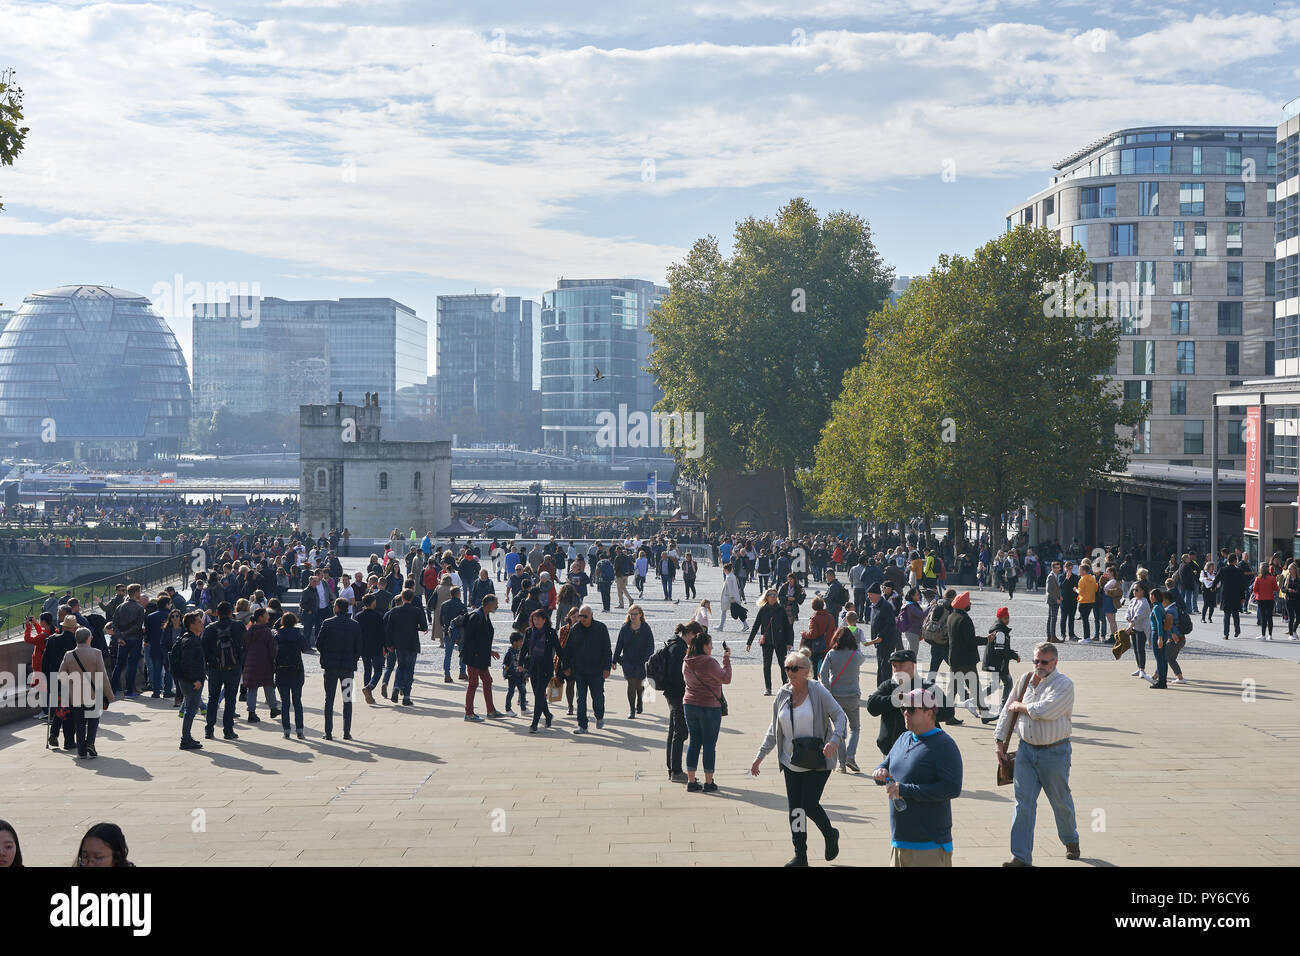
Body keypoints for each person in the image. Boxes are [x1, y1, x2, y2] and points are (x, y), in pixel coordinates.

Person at [751, 648, 847, 867]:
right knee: (796, 810)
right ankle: (800, 855)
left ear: (807, 671)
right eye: (787, 668)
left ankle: (830, 834)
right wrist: (760, 756)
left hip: (819, 759)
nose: (790, 672)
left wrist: (834, 740)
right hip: (791, 761)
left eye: (795, 668)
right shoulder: (782, 694)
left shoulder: (818, 691)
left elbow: (839, 715)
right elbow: (774, 728)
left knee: (809, 805)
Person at [996, 641, 1079, 866]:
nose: (1038, 665)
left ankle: (1070, 839)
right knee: (1023, 804)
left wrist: (1021, 707)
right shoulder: (1024, 680)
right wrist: (999, 741)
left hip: (1055, 752)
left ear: (1055, 662)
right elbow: (1007, 710)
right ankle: (1020, 857)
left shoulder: (1064, 684)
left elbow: (1046, 711)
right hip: (1025, 751)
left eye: (1043, 662)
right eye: (1035, 661)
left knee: (1060, 801)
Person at [872, 686, 963, 867]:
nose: (905, 712)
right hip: (899, 841)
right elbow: (887, 764)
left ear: (929, 713)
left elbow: (952, 788)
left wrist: (905, 790)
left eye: (912, 709)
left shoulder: (944, 745)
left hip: (928, 845)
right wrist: (880, 772)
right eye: (903, 708)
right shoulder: (904, 738)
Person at [682, 629, 732, 792]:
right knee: (709, 745)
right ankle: (709, 782)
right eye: (710, 644)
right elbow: (726, 679)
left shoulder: (686, 660)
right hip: (709, 707)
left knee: (694, 742)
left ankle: (691, 781)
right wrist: (726, 659)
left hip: (689, 704)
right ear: (704, 645)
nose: (711, 648)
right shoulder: (709, 662)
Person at [59, 627, 114, 759]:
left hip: (76, 695)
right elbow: (103, 675)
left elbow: (61, 675)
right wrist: (110, 695)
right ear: (88, 638)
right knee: (94, 720)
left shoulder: (69, 655)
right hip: (94, 694)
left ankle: (81, 750)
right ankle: (90, 743)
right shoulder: (96, 653)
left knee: (79, 722)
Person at [819, 628, 865, 773]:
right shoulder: (856, 655)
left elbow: (822, 673)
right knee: (855, 728)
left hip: (835, 696)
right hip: (853, 695)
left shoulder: (831, 654)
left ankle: (842, 763)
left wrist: (827, 690)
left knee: (839, 730)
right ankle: (851, 756)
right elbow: (862, 659)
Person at [561, 605, 612, 734]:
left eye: (585, 616)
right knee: (581, 699)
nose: (582, 618)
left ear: (591, 616)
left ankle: (599, 716)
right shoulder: (575, 629)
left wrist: (607, 667)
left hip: (597, 671)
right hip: (580, 671)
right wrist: (565, 666)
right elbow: (568, 649)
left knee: (598, 697)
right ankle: (582, 725)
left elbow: (607, 649)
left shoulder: (601, 628)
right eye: (580, 616)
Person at [317, 597, 362, 740]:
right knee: (348, 700)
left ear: (336, 607)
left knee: (328, 699)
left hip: (330, 666)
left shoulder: (327, 623)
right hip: (348, 667)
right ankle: (346, 732)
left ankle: (328, 732)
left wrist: (325, 655)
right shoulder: (354, 624)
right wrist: (353, 659)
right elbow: (359, 646)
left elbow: (319, 644)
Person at [202, 602, 246, 741]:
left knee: (212, 699)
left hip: (215, 668)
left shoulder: (210, 628)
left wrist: (206, 667)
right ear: (230, 612)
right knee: (230, 699)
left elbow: (203, 650)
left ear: (217, 613)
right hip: (234, 667)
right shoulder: (238, 626)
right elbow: (245, 645)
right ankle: (228, 730)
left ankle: (209, 729)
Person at [462, 594, 505, 721]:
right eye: (496, 603)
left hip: (481, 657)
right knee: (473, 684)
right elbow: (469, 638)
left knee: (487, 681)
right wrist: (476, 652)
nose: (497, 606)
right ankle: (468, 713)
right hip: (474, 657)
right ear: (489, 604)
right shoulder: (476, 616)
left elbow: (483, 639)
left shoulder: (485, 616)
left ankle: (491, 711)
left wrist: (490, 651)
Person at [386, 588, 429, 705]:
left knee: (400, 666)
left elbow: (389, 629)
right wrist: (417, 627)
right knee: (409, 669)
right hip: (412, 642)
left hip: (399, 643)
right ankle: (406, 696)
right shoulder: (416, 611)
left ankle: (396, 687)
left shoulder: (394, 611)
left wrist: (389, 644)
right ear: (412, 598)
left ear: (402, 597)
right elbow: (424, 627)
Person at [748, 588, 795, 695]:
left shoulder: (781, 609)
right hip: (767, 642)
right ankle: (768, 688)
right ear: (767, 597)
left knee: (783, 664)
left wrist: (789, 643)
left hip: (781, 642)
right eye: (771, 595)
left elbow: (788, 627)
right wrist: (749, 642)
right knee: (766, 665)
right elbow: (755, 626)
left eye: (775, 595)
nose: (774, 597)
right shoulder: (763, 610)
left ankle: (785, 686)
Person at [946, 590, 983, 721]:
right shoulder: (964, 619)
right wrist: (986, 640)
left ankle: (948, 715)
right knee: (975, 687)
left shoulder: (951, 617)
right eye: (968, 602)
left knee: (952, 689)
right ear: (963, 605)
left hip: (955, 658)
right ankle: (984, 713)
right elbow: (970, 640)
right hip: (966, 660)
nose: (970, 604)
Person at [522, 609, 561, 733]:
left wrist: (564, 666)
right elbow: (523, 649)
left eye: (539, 618)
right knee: (538, 695)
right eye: (534, 619)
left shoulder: (550, 632)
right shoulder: (529, 632)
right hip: (533, 668)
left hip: (546, 668)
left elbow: (559, 650)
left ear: (544, 620)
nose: (536, 621)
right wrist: (519, 664)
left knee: (539, 694)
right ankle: (548, 715)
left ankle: (534, 724)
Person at [173, 611, 207, 750]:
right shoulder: (190, 641)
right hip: (191, 682)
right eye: (199, 622)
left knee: (190, 710)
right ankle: (185, 739)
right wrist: (195, 680)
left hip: (189, 680)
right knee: (190, 711)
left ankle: (186, 737)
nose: (202, 623)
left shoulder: (191, 638)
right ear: (191, 625)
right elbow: (187, 663)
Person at [613, 604, 654, 719]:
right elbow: (619, 644)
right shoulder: (625, 628)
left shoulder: (646, 628)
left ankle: (640, 700)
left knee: (639, 684)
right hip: (628, 661)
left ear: (640, 615)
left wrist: (647, 658)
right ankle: (632, 710)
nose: (633, 616)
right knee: (631, 683)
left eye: (635, 614)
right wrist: (614, 659)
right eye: (631, 614)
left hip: (642, 661)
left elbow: (651, 645)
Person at [982, 607, 1020, 722]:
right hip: (998, 665)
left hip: (995, 664)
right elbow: (1000, 650)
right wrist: (1014, 655)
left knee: (995, 685)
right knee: (1007, 683)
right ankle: (1003, 709)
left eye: (1008, 617)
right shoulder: (1000, 632)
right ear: (1000, 618)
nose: (1008, 620)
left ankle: (976, 699)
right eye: (1005, 618)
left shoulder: (998, 629)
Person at [241, 607, 279, 723]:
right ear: (261, 617)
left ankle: (251, 713)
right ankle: (273, 708)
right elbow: (272, 649)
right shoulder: (266, 631)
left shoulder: (250, 630)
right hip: (264, 663)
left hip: (251, 662)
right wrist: (275, 661)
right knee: (268, 686)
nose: (268, 616)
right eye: (266, 615)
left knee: (252, 688)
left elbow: (245, 646)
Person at [273, 612, 308, 740]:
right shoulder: (298, 634)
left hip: (281, 672)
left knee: (285, 703)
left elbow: (274, 629)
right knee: (297, 702)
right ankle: (300, 731)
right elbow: (306, 648)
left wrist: (279, 622)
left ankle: (286, 731)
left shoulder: (277, 635)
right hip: (296, 671)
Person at [354, 593, 386, 704]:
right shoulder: (378, 616)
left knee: (367, 670)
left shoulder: (358, 616)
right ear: (373, 603)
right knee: (378, 670)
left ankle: (368, 694)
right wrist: (385, 646)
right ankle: (369, 687)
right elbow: (382, 633)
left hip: (364, 647)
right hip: (376, 646)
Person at [1125, 581, 1153, 684]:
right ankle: (1139, 667)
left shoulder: (1144, 602)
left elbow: (1138, 616)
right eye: (1133, 590)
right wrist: (1127, 617)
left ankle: (1142, 669)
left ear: (1142, 591)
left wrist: (1129, 627)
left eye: (1136, 590)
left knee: (1140, 649)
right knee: (1136, 649)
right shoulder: (1133, 600)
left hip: (1141, 628)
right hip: (1134, 627)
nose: (1134, 592)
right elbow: (1128, 610)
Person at [800, 596, 835, 675]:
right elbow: (834, 631)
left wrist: (804, 634)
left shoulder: (814, 618)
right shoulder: (830, 617)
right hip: (828, 645)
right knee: (826, 669)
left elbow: (813, 634)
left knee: (814, 668)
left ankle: (815, 683)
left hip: (817, 646)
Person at [1217, 553, 1247, 639]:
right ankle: (1237, 630)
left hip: (1226, 595)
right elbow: (1242, 585)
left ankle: (1226, 634)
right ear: (1235, 561)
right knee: (1235, 614)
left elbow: (1216, 580)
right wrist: (1243, 597)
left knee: (1226, 616)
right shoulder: (1239, 571)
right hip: (1236, 596)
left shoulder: (1222, 570)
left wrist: (1213, 588)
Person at [502, 631, 529, 716]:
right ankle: (508, 709)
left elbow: (523, 663)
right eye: (521, 641)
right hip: (512, 676)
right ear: (515, 642)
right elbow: (505, 665)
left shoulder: (520, 651)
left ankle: (523, 708)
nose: (522, 643)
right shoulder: (509, 653)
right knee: (511, 692)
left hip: (520, 675)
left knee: (523, 691)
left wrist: (525, 674)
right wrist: (507, 671)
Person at [1252, 562, 1278, 641]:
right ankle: (1270, 635)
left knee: (1263, 617)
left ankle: (1263, 635)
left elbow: (1254, 589)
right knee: (1270, 617)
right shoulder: (1272, 578)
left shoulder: (1258, 578)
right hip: (1270, 599)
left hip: (1261, 599)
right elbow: (1276, 588)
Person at [718, 562, 742, 631]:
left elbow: (730, 588)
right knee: (727, 611)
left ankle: (721, 626)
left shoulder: (729, 577)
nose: (723, 571)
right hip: (731, 596)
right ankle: (721, 626)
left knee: (726, 611)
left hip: (728, 597)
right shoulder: (732, 576)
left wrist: (731, 597)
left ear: (726, 570)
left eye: (724, 570)